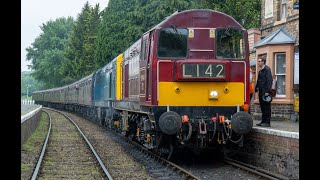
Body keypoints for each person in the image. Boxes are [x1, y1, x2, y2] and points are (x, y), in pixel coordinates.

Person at [255, 57, 273, 127]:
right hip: (261, 91)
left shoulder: (267, 70)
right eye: (258, 61)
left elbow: (269, 81)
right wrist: (256, 88)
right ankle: (263, 121)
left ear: (263, 62)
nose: (258, 62)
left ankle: (267, 122)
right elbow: (258, 81)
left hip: (265, 92)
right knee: (262, 107)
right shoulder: (260, 71)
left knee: (267, 107)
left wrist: (267, 91)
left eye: (259, 61)